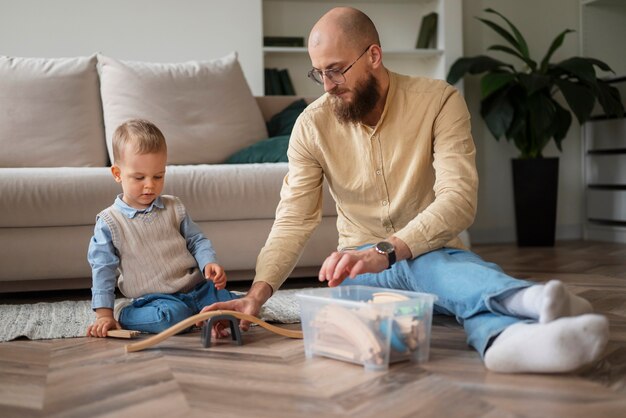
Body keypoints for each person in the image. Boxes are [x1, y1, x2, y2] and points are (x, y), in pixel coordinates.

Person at [201, 7, 609, 373]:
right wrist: (256, 295)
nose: (326, 85)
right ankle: (524, 304)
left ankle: (505, 341)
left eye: (336, 70)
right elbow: (293, 218)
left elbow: (459, 200)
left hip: (433, 253)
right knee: (430, 272)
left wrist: (390, 249)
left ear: (374, 56)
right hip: (360, 275)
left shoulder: (439, 101)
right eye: (319, 72)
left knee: (423, 264)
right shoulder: (311, 126)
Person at [86, 119, 238, 338]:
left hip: (197, 290)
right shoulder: (110, 222)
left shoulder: (174, 206)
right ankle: (127, 314)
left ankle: (202, 316)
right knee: (170, 318)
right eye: (139, 177)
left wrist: (209, 262)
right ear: (117, 174)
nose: (150, 185)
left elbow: (197, 240)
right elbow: (103, 270)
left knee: (235, 305)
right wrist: (104, 315)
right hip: (156, 299)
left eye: (158, 176)